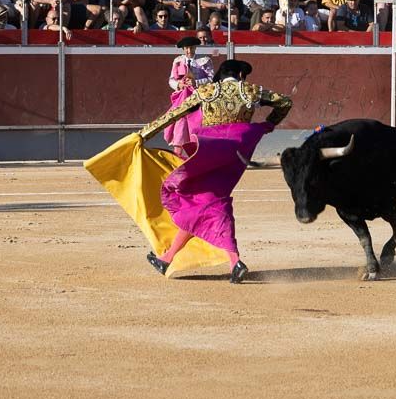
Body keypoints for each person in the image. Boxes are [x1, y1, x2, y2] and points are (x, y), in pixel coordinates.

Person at [85, 59, 292, 284]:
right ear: (241, 74)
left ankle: (229, 261)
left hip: (208, 152)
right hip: (236, 156)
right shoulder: (251, 91)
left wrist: (142, 135)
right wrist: (269, 124)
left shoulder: (208, 91)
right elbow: (285, 102)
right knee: (206, 203)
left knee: (202, 202)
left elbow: (174, 114)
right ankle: (172, 258)